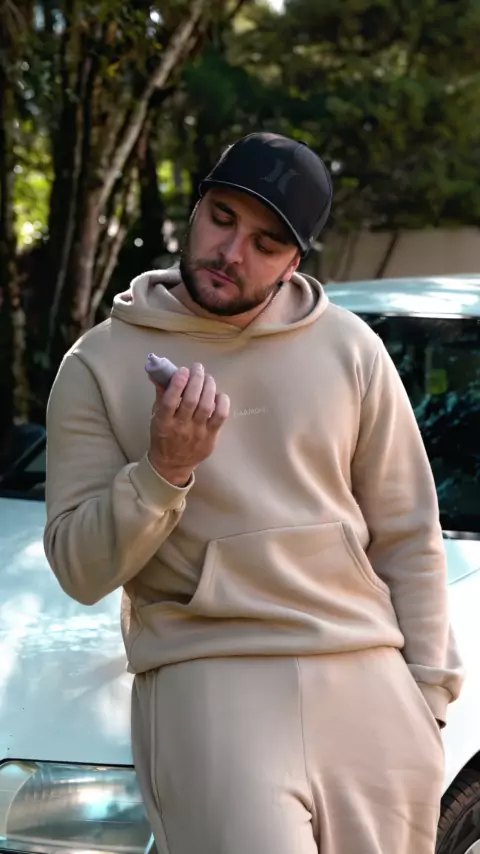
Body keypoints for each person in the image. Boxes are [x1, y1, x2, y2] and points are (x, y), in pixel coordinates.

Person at [44, 132, 464, 854]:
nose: (232, 251)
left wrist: (426, 704)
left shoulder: (351, 348)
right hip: (212, 679)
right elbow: (80, 570)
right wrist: (164, 470)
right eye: (222, 218)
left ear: (295, 260)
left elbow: (407, 532)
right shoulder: (97, 363)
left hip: (370, 689)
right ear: (196, 209)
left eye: (266, 243)